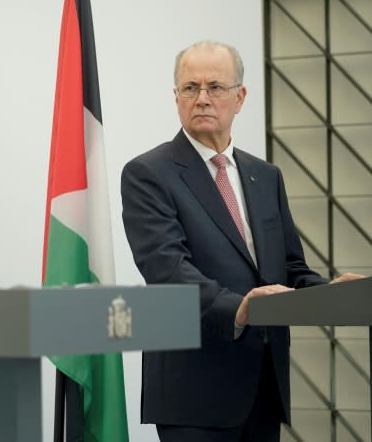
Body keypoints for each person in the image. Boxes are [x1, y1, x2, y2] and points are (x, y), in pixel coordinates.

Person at [120, 40, 363, 441]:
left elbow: (290, 268)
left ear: (240, 97)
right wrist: (239, 308)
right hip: (194, 391)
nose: (201, 98)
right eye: (189, 88)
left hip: (264, 385)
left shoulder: (264, 175)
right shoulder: (149, 173)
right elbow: (166, 269)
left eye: (215, 87)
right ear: (176, 97)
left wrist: (331, 294)